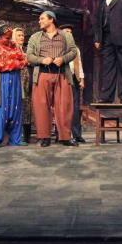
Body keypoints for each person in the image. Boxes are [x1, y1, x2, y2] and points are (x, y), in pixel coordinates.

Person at [26, 11, 78, 147]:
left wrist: (63, 59)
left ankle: (65, 137)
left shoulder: (65, 35)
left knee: (64, 106)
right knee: (41, 106)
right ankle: (44, 137)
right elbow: (29, 56)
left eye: (42, 18)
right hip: (42, 74)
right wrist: (42, 60)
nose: (39, 21)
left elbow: (73, 51)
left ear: (51, 20)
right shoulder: (35, 37)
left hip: (62, 74)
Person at [0, 24, 27, 147]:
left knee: (15, 108)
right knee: (0, 109)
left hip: (15, 80)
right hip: (0, 81)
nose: (9, 40)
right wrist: (15, 62)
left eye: (10, 38)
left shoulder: (14, 45)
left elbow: (24, 61)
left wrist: (8, 61)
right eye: (7, 38)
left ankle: (16, 139)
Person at [58, 24, 86, 143]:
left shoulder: (75, 48)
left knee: (75, 107)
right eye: (66, 31)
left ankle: (77, 134)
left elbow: (79, 64)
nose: (69, 33)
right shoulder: (58, 47)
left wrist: (81, 79)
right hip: (62, 77)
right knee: (63, 107)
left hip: (74, 79)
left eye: (70, 32)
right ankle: (63, 135)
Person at [13, 27, 32, 143]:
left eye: (22, 35)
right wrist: (25, 60)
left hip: (27, 80)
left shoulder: (26, 50)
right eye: (19, 35)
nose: (21, 37)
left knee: (27, 106)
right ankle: (16, 134)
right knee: (17, 105)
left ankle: (27, 135)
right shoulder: (11, 49)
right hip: (16, 79)